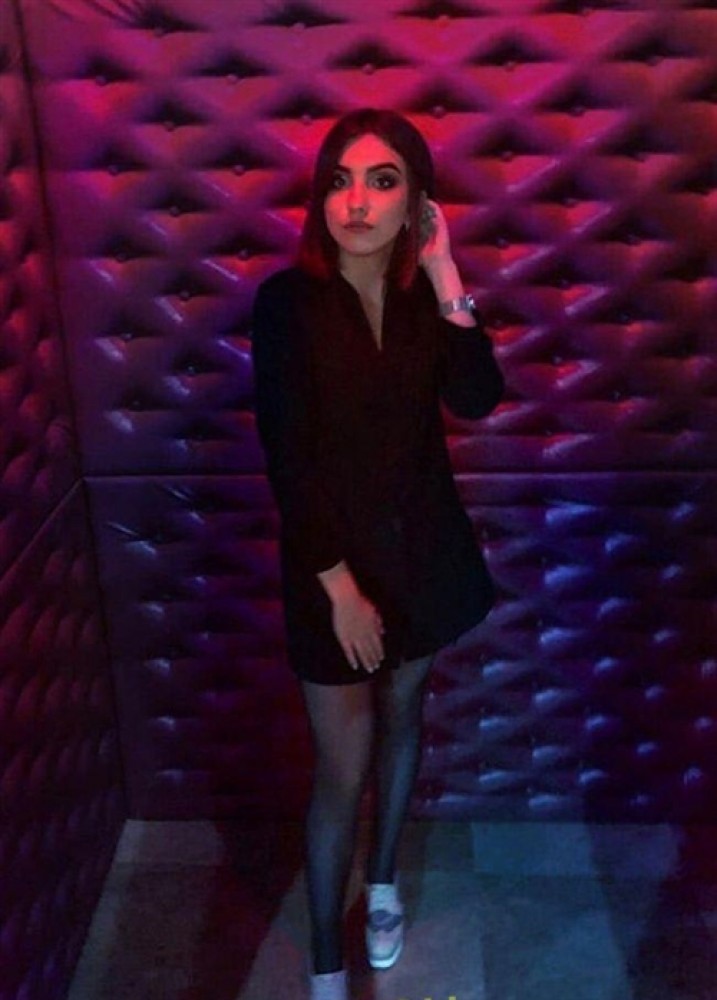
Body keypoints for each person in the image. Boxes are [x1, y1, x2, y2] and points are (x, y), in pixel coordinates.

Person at [251, 108, 504, 1000]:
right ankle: (326, 963)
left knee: (403, 720)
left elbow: (477, 397)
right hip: (330, 568)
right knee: (340, 769)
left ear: (415, 203)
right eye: (339, 180)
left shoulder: (424, 298)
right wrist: (339, 590)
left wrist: (444, 272)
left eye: (382, 181)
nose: (356, 201)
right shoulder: (286, 304)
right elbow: (288, 456)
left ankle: (384, 885)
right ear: (320, 198)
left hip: (423, 556)